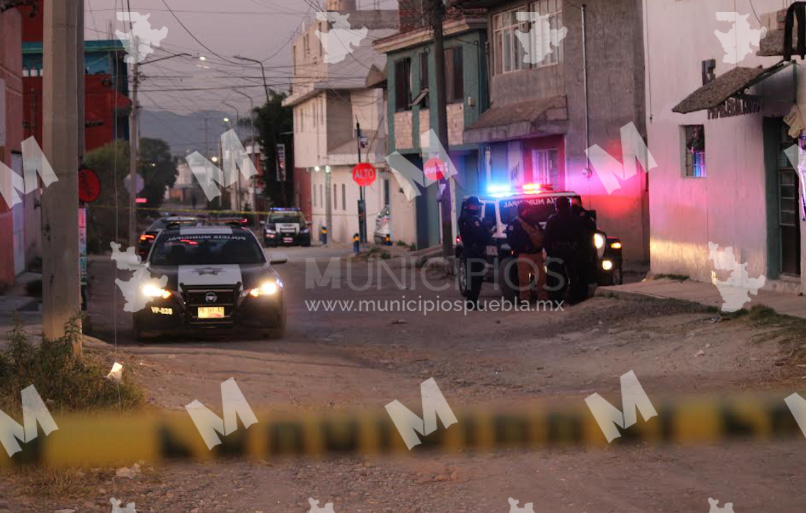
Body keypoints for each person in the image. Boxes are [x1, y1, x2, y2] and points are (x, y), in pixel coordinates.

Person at [505, 202, 548, 304]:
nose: (528, 212)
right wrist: (522, 247)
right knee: (524, 279)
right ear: (520, 211)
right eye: (525, 210)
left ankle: (543, 298)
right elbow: (511, 240)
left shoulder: (533, 222)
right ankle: (525, 299)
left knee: (541, 278)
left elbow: (541, 234)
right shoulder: (514, 223)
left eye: (529, 209)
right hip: (523, 254)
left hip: (537, 253)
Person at [543, 196, 582, 304]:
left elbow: (547, 238)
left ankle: (557, 300)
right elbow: (581, 237)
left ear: (557, 207)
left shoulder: (552, 220)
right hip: (572, 251)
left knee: (556, 277)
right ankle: (574, 298)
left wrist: (549, 251)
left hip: (557, 252)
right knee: (573, 275)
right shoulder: (576, 219)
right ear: (568, 205)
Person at [458, 196, 491, 310]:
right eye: (476, 205)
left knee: (478, 278)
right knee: (473, 278)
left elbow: (483, 234)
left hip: (477, 251)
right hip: (473, 251)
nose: (477, 207)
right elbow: (479, 235)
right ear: (470, 206)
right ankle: (471, 302)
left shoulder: (473, 219)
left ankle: (473, 301)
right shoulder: (467, 219)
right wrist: (486, 233)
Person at [571, 196, 597, 302]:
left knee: (583, 274)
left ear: (580, 204)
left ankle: (583, 294)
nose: (573, 206)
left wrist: (583, 218)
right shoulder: (569, 215)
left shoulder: (586, 215)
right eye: (572, 204)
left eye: (575, 204)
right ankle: (575, 295)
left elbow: (592, 227)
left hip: (584, 249)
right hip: (572, 250)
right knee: (573, 274)